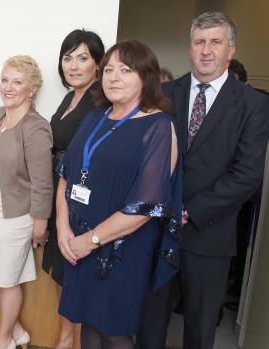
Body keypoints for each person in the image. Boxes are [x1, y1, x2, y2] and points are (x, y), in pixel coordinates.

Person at [136, 12, 269, 349]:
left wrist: (188, 211)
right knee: (149, 326)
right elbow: (142, 159)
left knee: (199, 330)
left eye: (215, 42)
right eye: (199, 42)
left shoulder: (253, 105)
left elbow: (246, 175)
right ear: (190, 48)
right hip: (155, 230)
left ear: (230, 49)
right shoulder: (163, 94)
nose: (206, 50)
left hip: (210, 236)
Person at [56, 40, 181, 349]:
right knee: (87, 320)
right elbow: (66, 174)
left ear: (145, 77)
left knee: (115, 330)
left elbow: (144, 207)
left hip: (122, 249)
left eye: (125, 70)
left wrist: (90, 241)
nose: (113, 77)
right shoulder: (94, 117)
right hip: (77, 240)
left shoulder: (159, 128)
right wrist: (62, 228)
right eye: (109, 69)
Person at [0, 55, 53, 349]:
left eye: (18, 82)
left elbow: (43, 182)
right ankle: (17, 331)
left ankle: (3, 341)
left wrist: (40, 224)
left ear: (32, 89)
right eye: (5, 80)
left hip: (15, 217)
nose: (9, 87)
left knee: (7, 281)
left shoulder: (36, 127)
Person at [41, 29, 104, 349]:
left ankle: (72, 343)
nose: (74, 66)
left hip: (79, 198)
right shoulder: (71, 96)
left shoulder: (100, 99)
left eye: (83, 58)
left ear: (98, 63)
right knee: (60, 274)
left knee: (74, 276)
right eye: (68, 58)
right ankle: (65, 338)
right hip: (57, 192)